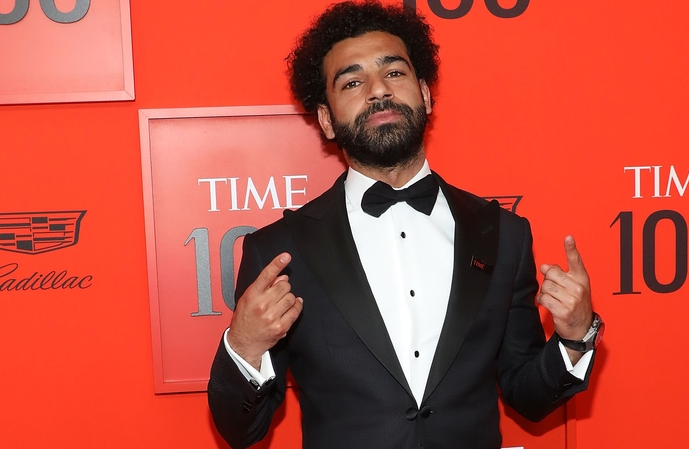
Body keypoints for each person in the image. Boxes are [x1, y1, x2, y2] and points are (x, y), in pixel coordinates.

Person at [207, 2, 602, 448]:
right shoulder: (280, 251)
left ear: (426, 94)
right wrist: (244, 345)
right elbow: (242, 430)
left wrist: (575, 339)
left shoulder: (502, 235)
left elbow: (527, 395)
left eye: (393, 72)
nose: (378, 90)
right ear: (326, 120)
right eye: (352, 82)